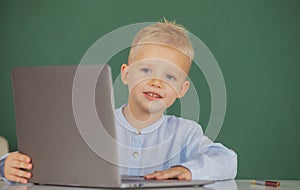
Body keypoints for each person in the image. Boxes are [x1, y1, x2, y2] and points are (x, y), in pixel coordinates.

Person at [0, 19, 237, 184]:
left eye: (170, 76)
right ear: (125, 74)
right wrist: (6, 166)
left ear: (182, 89)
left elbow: (228, 161)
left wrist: (188, 170)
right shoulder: (93, 125)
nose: (157, 82)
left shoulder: (186, 134)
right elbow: (47, 160)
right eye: (146, 70)